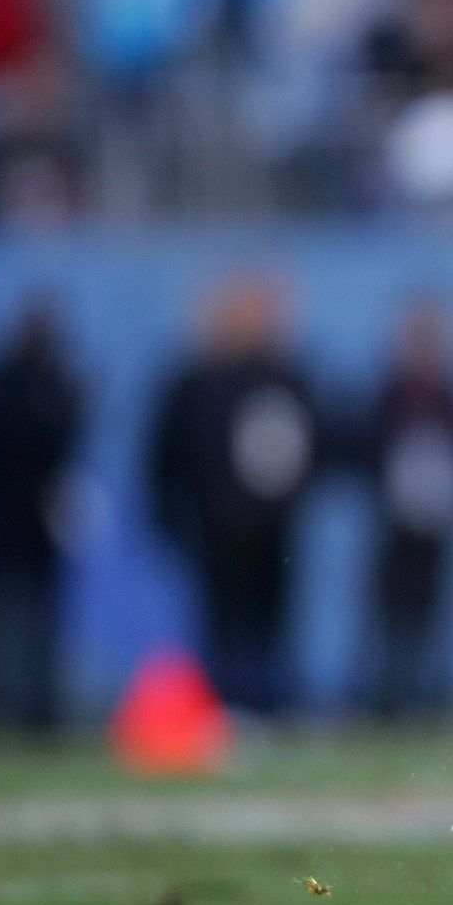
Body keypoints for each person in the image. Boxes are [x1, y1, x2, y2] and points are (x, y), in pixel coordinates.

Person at [145, 275, 319, 720]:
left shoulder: (288, 376)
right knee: (221, 626)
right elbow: (167, 454)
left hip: (273, 530)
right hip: (216, 529)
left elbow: (315, 445)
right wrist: (169, 516)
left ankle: (274, 707)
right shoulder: (196, 380)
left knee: (273, 625)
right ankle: (223, 709)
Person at [0, 296, 83, 734]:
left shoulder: (30, 383)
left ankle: (35, 708)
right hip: (3, 520)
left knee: (34, 622)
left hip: (33, 523)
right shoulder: (15, 384)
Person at [356, 297, 453, 721]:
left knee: (435, 612)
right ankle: (384, 695)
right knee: (387, 610)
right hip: (393, 523)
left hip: (440, 524)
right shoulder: (389, 393)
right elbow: (365, 451)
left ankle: (430, 695)